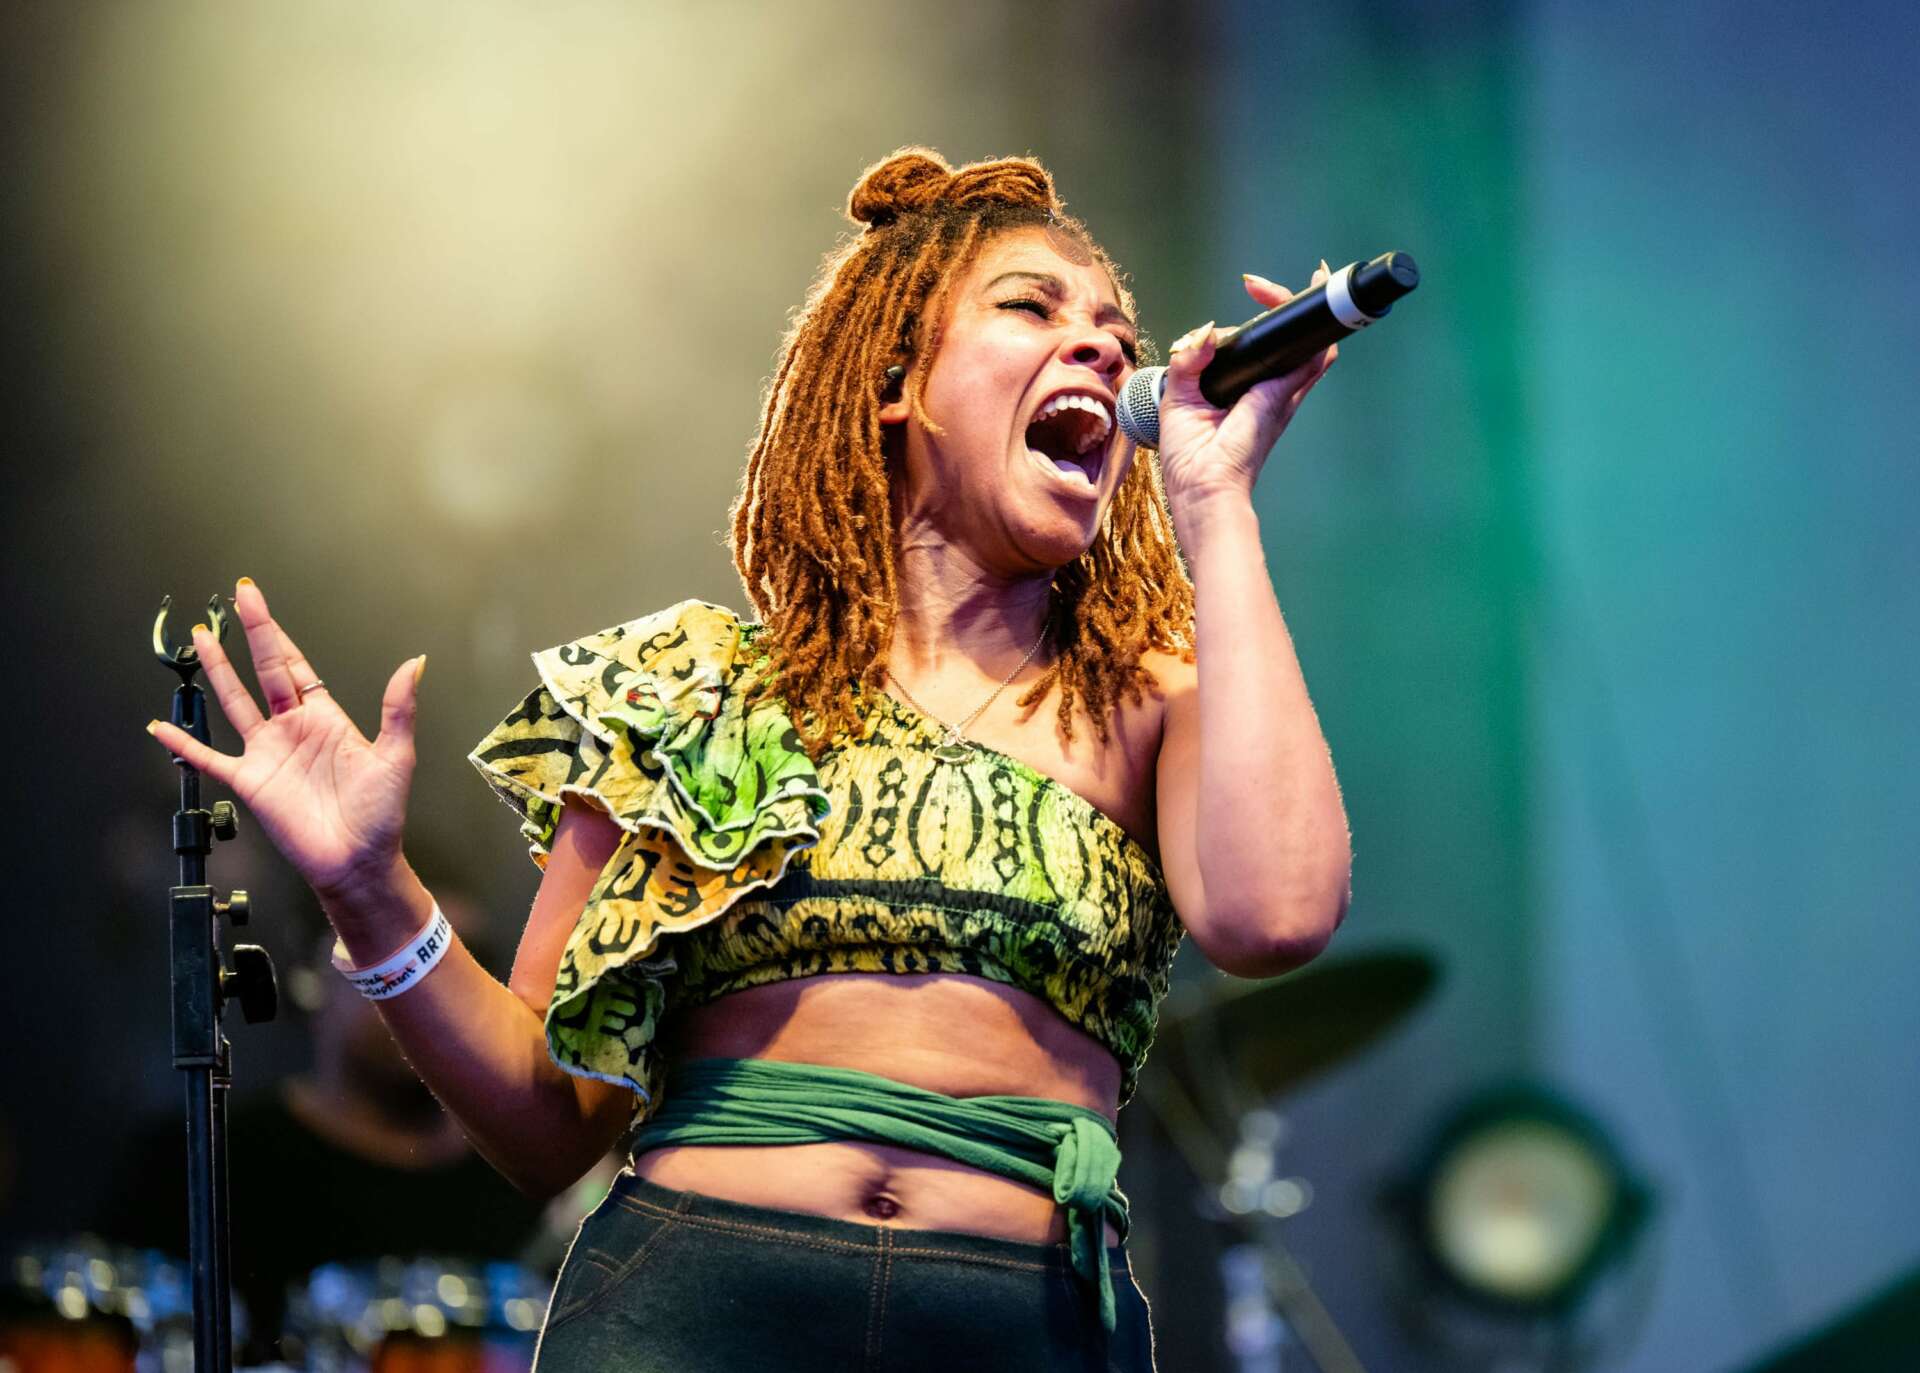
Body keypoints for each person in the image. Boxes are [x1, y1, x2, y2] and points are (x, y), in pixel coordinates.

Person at [145, 148, 1351, 1371]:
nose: (1097, 343)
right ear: (897, 380)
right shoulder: (696, 691)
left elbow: (1276, 915)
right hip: (696, 1306)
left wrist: (1217, 503)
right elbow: (546, 1124)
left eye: (1117, 334)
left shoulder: (1149, 696)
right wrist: (366, 885)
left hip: (1020, 1323)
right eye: (1032, 306)